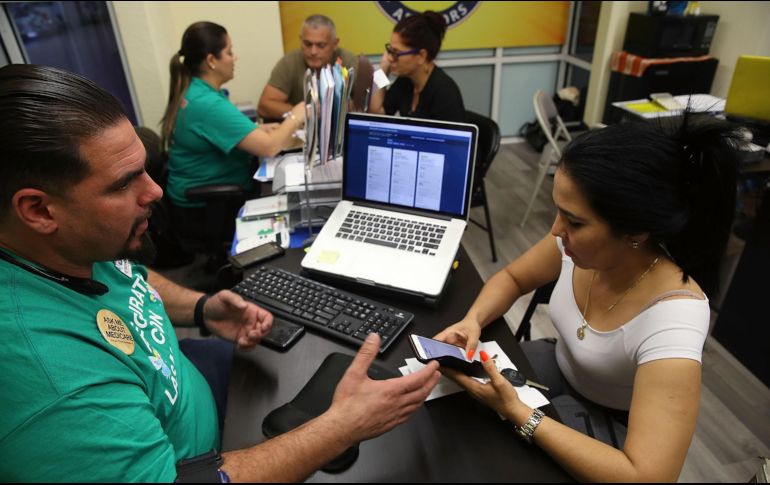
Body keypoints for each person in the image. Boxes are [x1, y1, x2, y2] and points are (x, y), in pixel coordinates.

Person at [0, 64, 441, 482]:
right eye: (123, 183)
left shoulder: (67, 246)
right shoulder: (53, 381)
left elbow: (125, 276)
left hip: (188, 383)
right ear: (38, 210)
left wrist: (202, 307)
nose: (154, 190)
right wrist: (341, 428)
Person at [435, 114, 742, 481]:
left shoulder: (674, 318)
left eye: (575, 222)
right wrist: (473, 320)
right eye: (559, 212)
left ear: (636, 231)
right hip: (559, 367)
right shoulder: (576, 246)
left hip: (609, 425)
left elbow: (649, 476)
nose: (556, 230)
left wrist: (519, 413)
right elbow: (514, 277)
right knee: (452, 411)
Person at [160, 21, 304, 234]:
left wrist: (262, 131)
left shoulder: (201, 93)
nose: (234, 58)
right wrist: (297, 113)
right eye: (229, 52)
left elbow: (233, 132)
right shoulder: (207, 104)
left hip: (210, 198)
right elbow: (269, 148)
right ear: (211, 61)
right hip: (207, 210)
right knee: (295, 211)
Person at [369, 10, 466, 123]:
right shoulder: (406, 80)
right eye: (390, 50)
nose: (390, 58)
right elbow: (376, 115)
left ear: (421, 56)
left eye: (396, 53)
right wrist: (382, 70)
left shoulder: (445, 92)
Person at [258, 14, 359, 121]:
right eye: (307, 44)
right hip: (301, 130)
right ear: (301, 40)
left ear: (335, 44)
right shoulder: (290, 62)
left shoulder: (349, 62)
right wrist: (307, 112)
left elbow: (364, 108)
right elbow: (264, 106)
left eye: (321, 45)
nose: (313, 52)